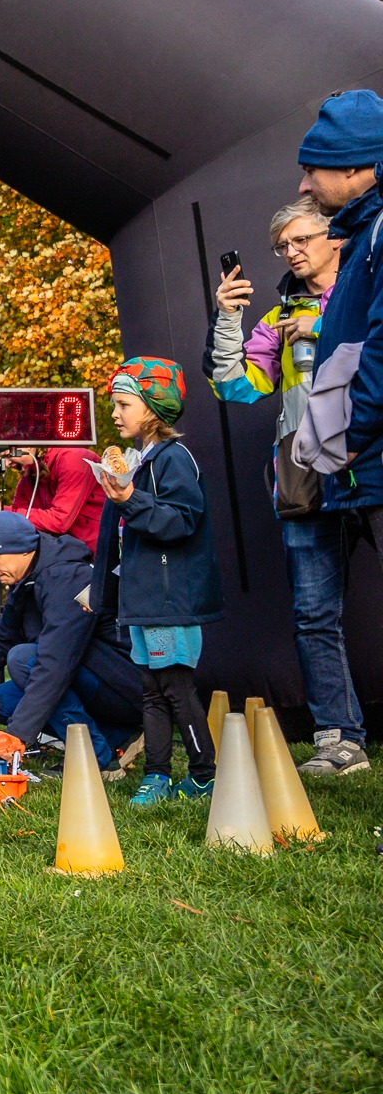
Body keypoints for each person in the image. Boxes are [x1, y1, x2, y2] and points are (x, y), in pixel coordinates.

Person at [207, 195, 367, 775]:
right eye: (283, 246)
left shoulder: (369, 289)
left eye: (302, 240)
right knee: (314, 615)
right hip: (308, 479)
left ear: (335, 238)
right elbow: (236, 386)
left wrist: (321, 326)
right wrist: (228, 318)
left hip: (373, 465)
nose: (292, 252)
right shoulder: (279, 316)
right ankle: (341, 740)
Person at [99, 359, 223, 804]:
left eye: (123, 404)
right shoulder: (140, 460)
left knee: (174, 686)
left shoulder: (174, 458)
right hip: (145, 599)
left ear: (152, 408)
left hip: (169, 600)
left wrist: (131, 498)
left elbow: (181, 520)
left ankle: (204, 774)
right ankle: (157, 776)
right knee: (152, 690)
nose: (115, 413)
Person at [0, 511, 143, 769]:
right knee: (0, 701)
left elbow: (54, 665)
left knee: (22, 660)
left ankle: (96, 758)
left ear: (23, 550)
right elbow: (3, 637)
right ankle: (116, 735)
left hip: (126, 686)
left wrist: (17, 736)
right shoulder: (29, 577)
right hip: (94, 680)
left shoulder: (68, 577)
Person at [296, 90, 383, 573]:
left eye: (312, 170)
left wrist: (352, 435)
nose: (304, 186)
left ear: (351, 165)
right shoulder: (365, 235)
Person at [0, 446, 106, 556]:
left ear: (29, 444)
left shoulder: (72, 458)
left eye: (8, 455)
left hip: (98, 555)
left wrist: (1, 510)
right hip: (65, 559)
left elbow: (60, 521)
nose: (7, 464)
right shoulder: (28, 481)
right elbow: (18, 533)